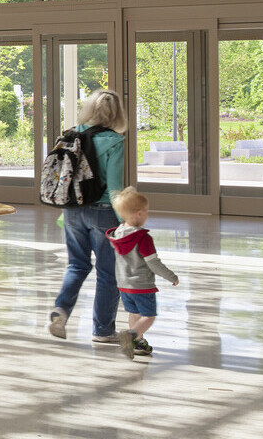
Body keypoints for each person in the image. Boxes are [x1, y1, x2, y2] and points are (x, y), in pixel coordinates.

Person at [49, 89, 131, 345]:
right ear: (116, 114)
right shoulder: (115, 141)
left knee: (77, 265)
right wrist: (124, 219)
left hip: (72, 210)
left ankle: (61, 311)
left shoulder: (70, 135)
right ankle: (103, 330)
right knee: (108, 272)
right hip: (103, 212)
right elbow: (115, 186)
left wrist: (64, 214)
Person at [106, 188, 178, 360]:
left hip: (124, 285)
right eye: (146, 211)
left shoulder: (118, 234)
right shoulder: (143, 238)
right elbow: (153, 263)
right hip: (142, 285)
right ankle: (131, 336)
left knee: (134, 313)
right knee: (148, 316)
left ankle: (138, 342)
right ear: (139, 214)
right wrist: (171, 276)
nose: (147, 214)